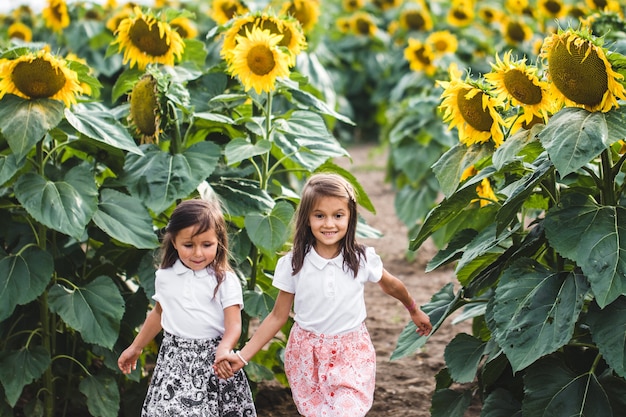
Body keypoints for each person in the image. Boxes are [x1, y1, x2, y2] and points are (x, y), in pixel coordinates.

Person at [214, 173, 432, 417]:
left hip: (352, 351)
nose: (329, 224)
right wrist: (242, 357)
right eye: (320, 216)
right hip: (307, 355)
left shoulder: (361, 258)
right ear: (307, 219)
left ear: (350, 217)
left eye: (338, 215)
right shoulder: (293, 263)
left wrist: (413, 309)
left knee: (346, 411)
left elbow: (391, 285)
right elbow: (277, 316)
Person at [117, 198, 256, 417]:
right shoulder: (165, 277)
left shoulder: (225, 280)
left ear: (218, 241)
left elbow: (234, 325)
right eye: (188, 245)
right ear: (173, 241)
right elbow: (159, 313)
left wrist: (224, 348)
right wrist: (136, 347)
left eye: (207, 245)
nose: (198, 254)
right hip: (174, 362)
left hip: (212, 363)